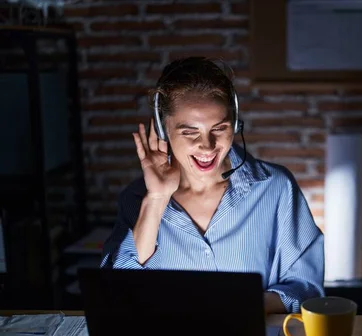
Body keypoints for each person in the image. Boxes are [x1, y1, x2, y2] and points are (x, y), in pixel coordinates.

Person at [100, 57, 325, 314]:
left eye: (219, 128)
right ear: (164, 131)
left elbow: (306, 290)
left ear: (235, 123)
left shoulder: (277, 188)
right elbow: (116, 293)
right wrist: (157, 199)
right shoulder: (138, 199)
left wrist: (236, 306)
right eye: (189, 132)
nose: (207, 146)